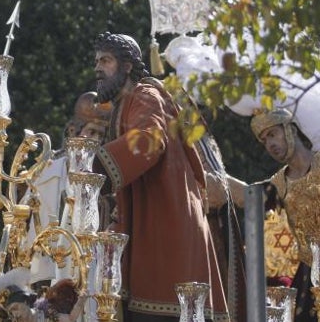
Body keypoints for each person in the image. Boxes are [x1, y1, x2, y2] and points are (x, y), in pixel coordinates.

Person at [92, 32, 228, 321]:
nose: (97, 68)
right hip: (151, 224)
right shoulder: (124, 105)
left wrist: (94, 165)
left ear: (128, 65)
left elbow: (150, 139)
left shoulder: (145, 94)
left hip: (166, 227)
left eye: (105, 60)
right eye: (96, 61)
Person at [223, 108, 319, 322]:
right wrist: (219, 178)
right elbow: (248, 196)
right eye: (264, 140)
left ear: (290, 129)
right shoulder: (278, 184)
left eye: (273, 134)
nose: (270, 145)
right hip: (308, 278)